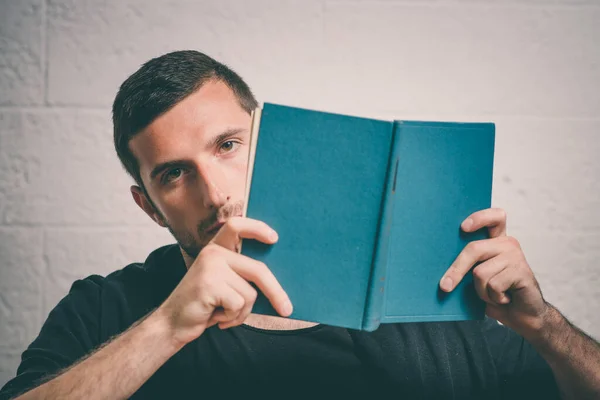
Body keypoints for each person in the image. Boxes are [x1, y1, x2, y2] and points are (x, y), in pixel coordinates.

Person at [1, 50, 598, 400]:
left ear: (269, 140)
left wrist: (544, 326)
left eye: (229, 145)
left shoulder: (428, 291)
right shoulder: (103, 309)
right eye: (175, 174)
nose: (217, 192)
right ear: (148, 205)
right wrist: (166, 328)